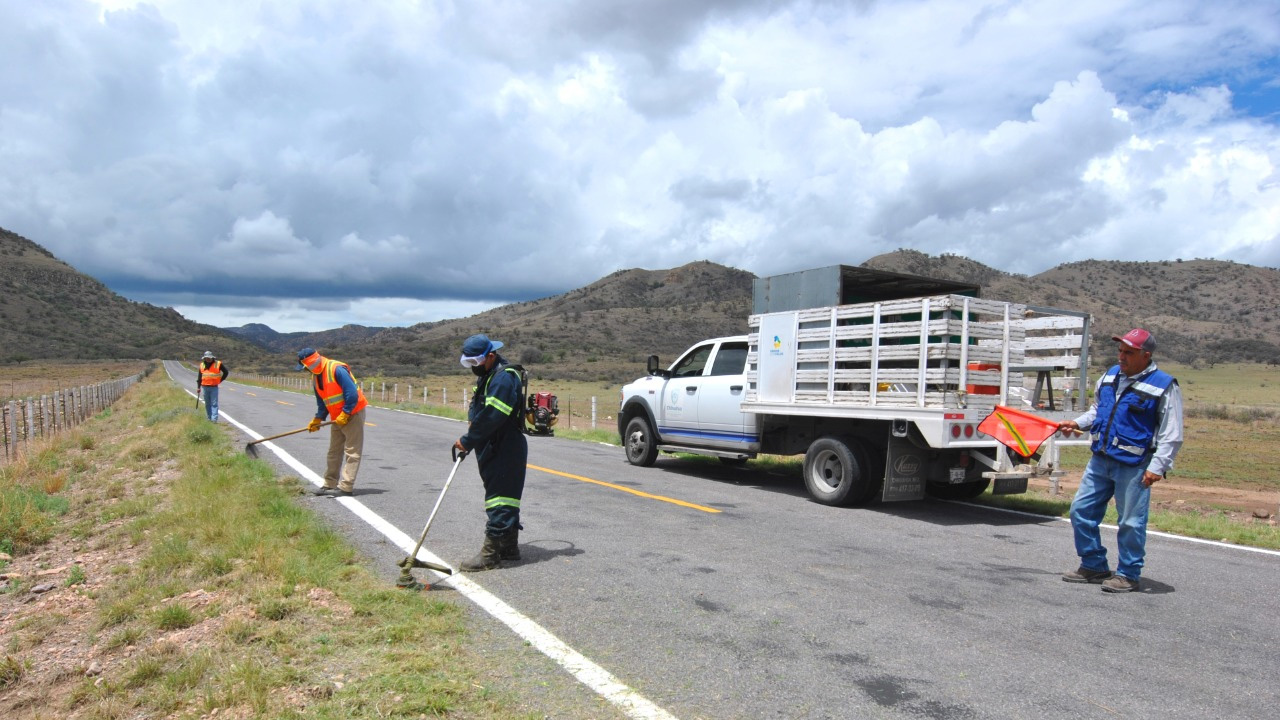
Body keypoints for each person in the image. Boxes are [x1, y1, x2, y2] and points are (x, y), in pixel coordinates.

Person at [1056, 329, 1183, 593]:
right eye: (1120, 351)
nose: (1122, 357)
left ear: (1146, 355)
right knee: (1081, 512)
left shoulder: (1163, 385)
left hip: (1134, 465)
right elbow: (1098, 409)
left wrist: (1157, 467)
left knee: (1130, 522)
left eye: (1129, 352)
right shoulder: (1110, 375)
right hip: (1100, 460)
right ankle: (1093, 565)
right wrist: (1077, 422)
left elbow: (1172, 432)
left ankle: (1128, 573)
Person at [452, 334, 527, 571]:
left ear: (491, 356)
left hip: (504, 445)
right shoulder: (490, 376)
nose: (474, 367)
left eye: (476, 362)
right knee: (504, 495)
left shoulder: (503, 378)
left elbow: (494, 415)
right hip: (494, 443)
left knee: (500, 498)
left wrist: (468, 440)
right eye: (470, 363)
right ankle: (509, 546)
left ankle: (491, 554)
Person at [296, 348, 368, 498]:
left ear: (311, 362)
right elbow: (322, 401)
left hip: (352, 413)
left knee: (352, 451)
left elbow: (352, 394)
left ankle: (346, 487)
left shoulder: (336, 368)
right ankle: (329, 484)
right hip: (337, 416)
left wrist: (346, 412)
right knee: (334, 451)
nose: (306, 370)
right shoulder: (316, 377)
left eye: (305, 367)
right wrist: (318, 418)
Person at [196, 351, 229, 422]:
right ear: (204, 358)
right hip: (204, 387)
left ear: (212, 358)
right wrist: (198, 387)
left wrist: (220, 380)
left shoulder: (218, 364)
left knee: (214, 403)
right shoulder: (202, 365)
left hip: (214, 387)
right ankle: (209, 417)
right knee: (207, 403)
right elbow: (199, 377)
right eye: (206, 358)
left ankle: (214, 419)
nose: (207, 359)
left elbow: (226, 372)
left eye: (209, 358)